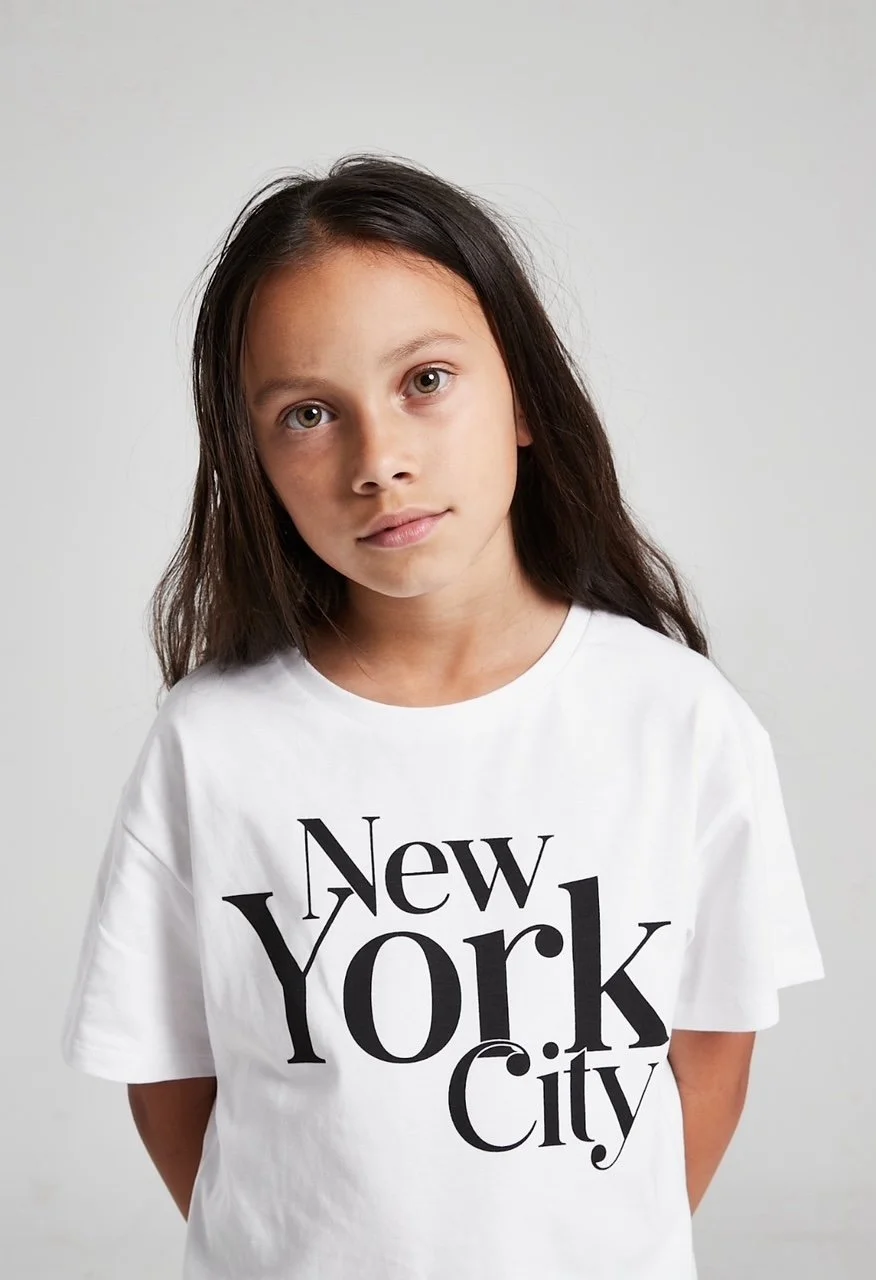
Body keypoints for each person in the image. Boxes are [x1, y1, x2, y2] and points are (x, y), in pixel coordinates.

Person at [59, 152, 825, 1280]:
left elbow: (710, 1042)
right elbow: (170, 1070)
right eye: (309, 413)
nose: (381, 461)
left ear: (523, 396)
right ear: (254, 459)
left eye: (425, 380)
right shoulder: (213, 745)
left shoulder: (678, 720)